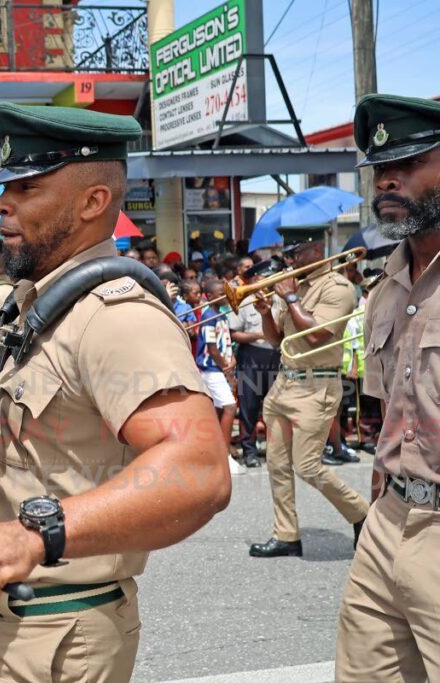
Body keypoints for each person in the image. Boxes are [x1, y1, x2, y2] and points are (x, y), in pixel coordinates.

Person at [0, 102, 231, 682]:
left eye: (28, 187)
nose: (3, 203)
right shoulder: (35, 307)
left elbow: (199, 471)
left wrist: (34, 534)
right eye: (7, 185)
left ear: (92, 202)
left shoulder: (115, 316)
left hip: (51, 636)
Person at [335, 94, 440, 681]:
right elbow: (390, 415)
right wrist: (378, 508)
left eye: (410, 164)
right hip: (389, 520)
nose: (388, 183)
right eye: (380, 170)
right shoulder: (387, 286)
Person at [248, 225, 369, 558]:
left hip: (317, 385)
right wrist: (264, 314)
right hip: (284, 382)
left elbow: (318, 335)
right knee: (277, 464)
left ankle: (363, 513)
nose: (290, 260)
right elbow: (275, 340)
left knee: (308, 466)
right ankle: (286, 534)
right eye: (289, 253)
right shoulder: (296, 285)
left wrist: (290, 297)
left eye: (296, 253)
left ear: (316, 250)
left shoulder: (339, 288)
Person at [227, 262, 280, 468]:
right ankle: (249, 450)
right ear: (253, 280)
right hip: (252, 356)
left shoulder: (278, 300)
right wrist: (259, 334)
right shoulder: (244, 301)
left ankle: (275, 450)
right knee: (248, 406)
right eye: (262, 277)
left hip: (275, 356)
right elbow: (235, 333)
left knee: (275, 407)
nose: (266, 281)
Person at [195, 279, 237, 452]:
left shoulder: (222, 315)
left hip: (221, 367)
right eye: (221, 294)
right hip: (212, 370)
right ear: (210, 296)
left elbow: (226, 343)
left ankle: (215, 450)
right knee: (230, 407)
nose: (226, 297)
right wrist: (228, 372)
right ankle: (225, 454)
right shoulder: (208, 318)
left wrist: (232, 359)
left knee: (219, 409)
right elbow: (212, 349)